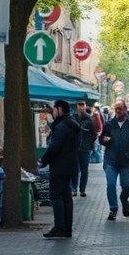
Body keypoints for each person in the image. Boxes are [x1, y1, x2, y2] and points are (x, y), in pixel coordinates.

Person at [39, 99, 80, 239]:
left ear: (59, 110)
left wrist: (44, 160)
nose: (52, 112)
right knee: (66, 197)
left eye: (54, 109)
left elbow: (55, 146)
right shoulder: (73, 124)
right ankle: (67, 228)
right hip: (71, 166)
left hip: (60, 166)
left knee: (56, 196)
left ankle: (59, 228)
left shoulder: (62, 126)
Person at [99, 98, 129, 221]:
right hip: (110, 161)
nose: (118, 111)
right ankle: (113, 209)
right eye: (116, 109)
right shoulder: (110, 124)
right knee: (111, 185)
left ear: (125, 109)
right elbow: (101, 139)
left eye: (120, 108)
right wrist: (104, 140)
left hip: (126, 162)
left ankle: (124, 199)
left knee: (126, 186)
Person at [70, 100, 97, 197]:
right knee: (74, 169)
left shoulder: (89, 118)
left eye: (83, 105)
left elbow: (94, 133)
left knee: (84, 170)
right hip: (74, 147)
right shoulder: (73, 117)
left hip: (85, 148)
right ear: (77, 106)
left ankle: (82, 189)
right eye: (79, 105)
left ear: (85, 106)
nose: (81, 107)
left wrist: (89, 143)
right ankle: (74, 189)